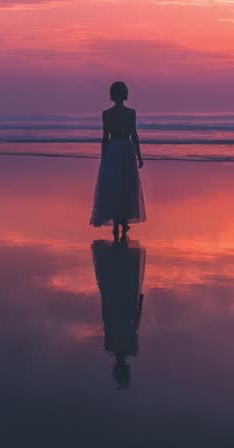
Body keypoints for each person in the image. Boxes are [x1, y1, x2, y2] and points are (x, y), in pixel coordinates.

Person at [90, 81, 146, 240]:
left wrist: (103, 157)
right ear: (125, 94)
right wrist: (139, 156)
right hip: (126, 150)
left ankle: (117, 223)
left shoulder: (107, 114)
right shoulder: (130, 113)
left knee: (114, 186)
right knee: (126, 186)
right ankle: (122, 222)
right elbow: (134, 136)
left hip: (113, 149)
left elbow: (105, 137)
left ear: (112, 95)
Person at [92, 239, 145, 389]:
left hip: (118, 303)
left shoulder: (115, 346)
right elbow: (134, 324)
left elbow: (109, 321)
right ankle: (119, 243)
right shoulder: (118, 346)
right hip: (122, 303)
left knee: (119, 277)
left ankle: (119, 243)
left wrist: (140, 303)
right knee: (121, 277)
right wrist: (140, 303)